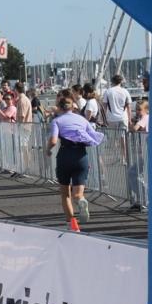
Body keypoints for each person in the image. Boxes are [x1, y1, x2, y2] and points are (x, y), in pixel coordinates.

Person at [46, 90, 105, 232]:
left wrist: (47, 150)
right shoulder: (82, 119)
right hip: (81, 156)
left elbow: (53, 141)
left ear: (59, 108)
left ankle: (73, 226)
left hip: (65, 156)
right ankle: (81, 200)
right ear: (72, 107)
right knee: (77, 194)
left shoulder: (57, 121)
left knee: (65, 194)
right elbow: (94, 135)